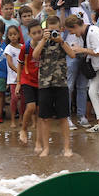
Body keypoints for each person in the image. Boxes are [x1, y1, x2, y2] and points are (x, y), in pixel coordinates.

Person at [32, 16, 75, 157]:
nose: (53, 33)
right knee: (44, 118)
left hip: (61, 83)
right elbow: (35, 55)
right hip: (45, 83)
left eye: (56, 30)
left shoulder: (63, 41)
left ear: (61, 29)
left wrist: (61, 41)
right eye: (50, 31)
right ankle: (46, 148)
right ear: (45, 30)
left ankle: (67, 147)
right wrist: (44, 39)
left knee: (63, 117)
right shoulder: (42, 42)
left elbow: (72, 55)